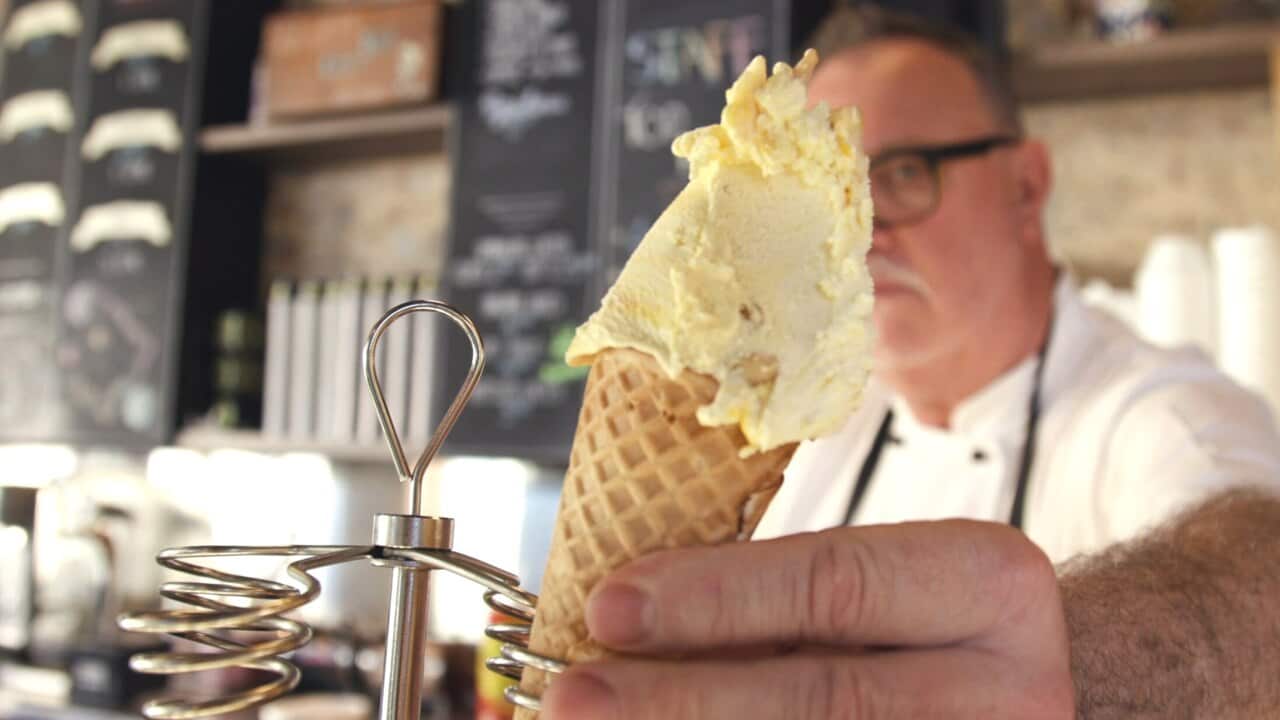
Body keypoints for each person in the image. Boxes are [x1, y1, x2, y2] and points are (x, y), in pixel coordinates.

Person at [538, 7, 1280, 719]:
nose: (862, 237)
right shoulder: (805, 423)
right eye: (829, 196)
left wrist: (1075, 660)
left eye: (899, 174)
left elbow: (1255, 585)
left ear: (1027, 185)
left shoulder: (1157, 413)